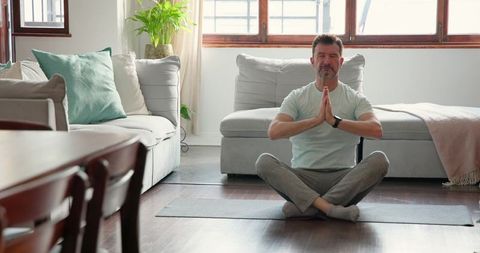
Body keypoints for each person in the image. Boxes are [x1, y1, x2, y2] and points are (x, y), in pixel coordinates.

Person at [255, 34, 389, 222]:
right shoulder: (297, 97)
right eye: (321, 56)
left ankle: (309, 207)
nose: (327, 61)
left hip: (343, 180)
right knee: (264, 162)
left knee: (380, 161)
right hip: (303, 179)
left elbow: (376, 130)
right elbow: (274, 131)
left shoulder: (355, 98)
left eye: (333, 56)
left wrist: (335, 121)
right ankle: (330, 208)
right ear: (312, 61)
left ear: (341, 62)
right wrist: (316, 120)